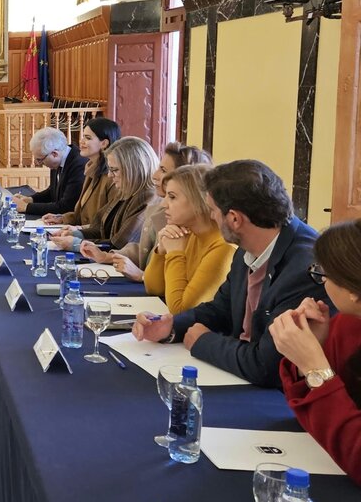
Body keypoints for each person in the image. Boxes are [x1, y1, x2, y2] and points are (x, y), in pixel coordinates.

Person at [132, 160, 327, 388]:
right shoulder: (249, 246)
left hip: (272, 397)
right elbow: (221, 309)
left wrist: (203, 342)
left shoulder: (303, 265)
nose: (211, 217)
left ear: (234, 219)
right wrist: (171, 327)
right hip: (238, 376)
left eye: (213, 210)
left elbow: (266, 365)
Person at [270, 221, 361, 484]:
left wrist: (315, 367)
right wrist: (309, 352)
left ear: (353, 290)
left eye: (324, 274)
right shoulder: (346, 323)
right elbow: (311, 419)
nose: (321, 283)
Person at [82, 143, 212, 281]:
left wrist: (142, 276)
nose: (154, 175)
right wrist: (107, 256)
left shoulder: (193, 226)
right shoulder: (160, 208)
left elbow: (177, 280)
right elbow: (144, 248)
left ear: (185, 178)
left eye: (163, 170)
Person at [142, 164, 234, 314]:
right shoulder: (187, 234)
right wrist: (161, 249)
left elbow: (181, 310)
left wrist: (175, 254)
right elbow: (153, 288)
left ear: (199, 200)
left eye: (172, 197)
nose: (164, 204)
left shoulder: (223, 248)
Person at [51, 136, 158, 252]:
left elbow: (119, 245)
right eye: (109, 170)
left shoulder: (147, 198)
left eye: (115, 170)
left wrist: (77, 244)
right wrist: (77, 234)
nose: (110, 176)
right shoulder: (125, 191)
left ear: (134, 169)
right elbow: (100, 228)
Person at [41, 117, 119, 228]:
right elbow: (81, 214)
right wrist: (62, 219)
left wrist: (78, 230)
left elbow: (107, 224)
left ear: (104, 143)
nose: (81, 141)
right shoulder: (90, 169)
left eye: (88, 138)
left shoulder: (112, 177)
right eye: (83, 136)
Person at [10, 127, 86, 216]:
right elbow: (53, 191)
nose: (38, 163)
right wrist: (31, 199)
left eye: (40, 160)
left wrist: (27, 207)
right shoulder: (58, 160)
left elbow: (66, 206)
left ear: (54, 154)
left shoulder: (79, 165)